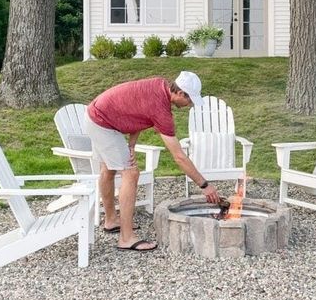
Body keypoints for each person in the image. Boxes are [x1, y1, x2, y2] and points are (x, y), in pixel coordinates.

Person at [85, 71, 220, 252]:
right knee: (131, 173)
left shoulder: (159, 86)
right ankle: (126, 238)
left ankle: (111, 220)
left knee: (108, 169)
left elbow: (137, 112)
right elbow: (179, 156)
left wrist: (131, 145)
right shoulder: (162, 109)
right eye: (189, 100)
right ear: (180, 93)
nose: (189, 105)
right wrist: (204, 185)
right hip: (103, 122)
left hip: (96, 113)